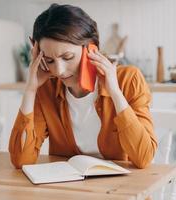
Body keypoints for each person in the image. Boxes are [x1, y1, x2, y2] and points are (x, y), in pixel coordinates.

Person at [9, 3, 157, 169]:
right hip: (71, 190)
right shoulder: (46, 87)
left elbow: (144, 157)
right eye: (49, 60)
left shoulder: (129, 79)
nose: (59, 71)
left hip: (120, 191)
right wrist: (30, 90)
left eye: (68, 57)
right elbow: (21, 160)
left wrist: (115, 93)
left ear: (91, 49)